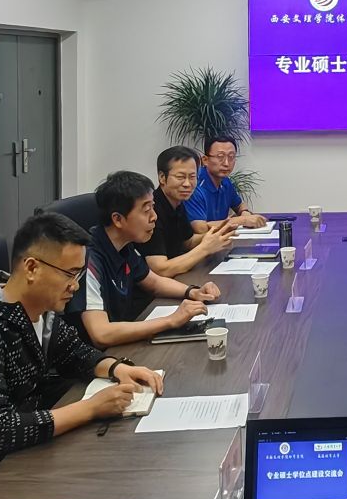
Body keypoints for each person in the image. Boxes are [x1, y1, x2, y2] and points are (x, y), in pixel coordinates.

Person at [0, 210, 165, 475]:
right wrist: (90, 409)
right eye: (70, 274)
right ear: (32, 268)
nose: (75, 286)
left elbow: (72, 351)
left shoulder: (37, 308)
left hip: (28, 442)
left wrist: (116, 368)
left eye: (79, 275)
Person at [76, 169, 222, 346]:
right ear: (118, 219)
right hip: (98, 356)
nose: (154, 217)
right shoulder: (87, 259)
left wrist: (193, 292)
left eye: (153, 207)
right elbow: (101, 334)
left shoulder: (124, 246)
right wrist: (171, 320)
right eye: (146, 210)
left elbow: (153, 283)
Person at [144, 145, 237, 282]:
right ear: (162, 177)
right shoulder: (151, 211)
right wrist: (205, 248)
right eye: (180, 177)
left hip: (178, 278)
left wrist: (217, 235)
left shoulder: (178, 203)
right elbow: (161, 269)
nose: (187, 184)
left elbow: (186, 242)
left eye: (193, 177)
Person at [186, 135, 268, 231]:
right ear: (205, 160)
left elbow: (239, 205)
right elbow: (199, 228)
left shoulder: (225, 182)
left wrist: (245, 212)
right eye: (220, 157)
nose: (226, 163)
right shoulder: (194, 185)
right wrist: (241, 220)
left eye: (231, 157)